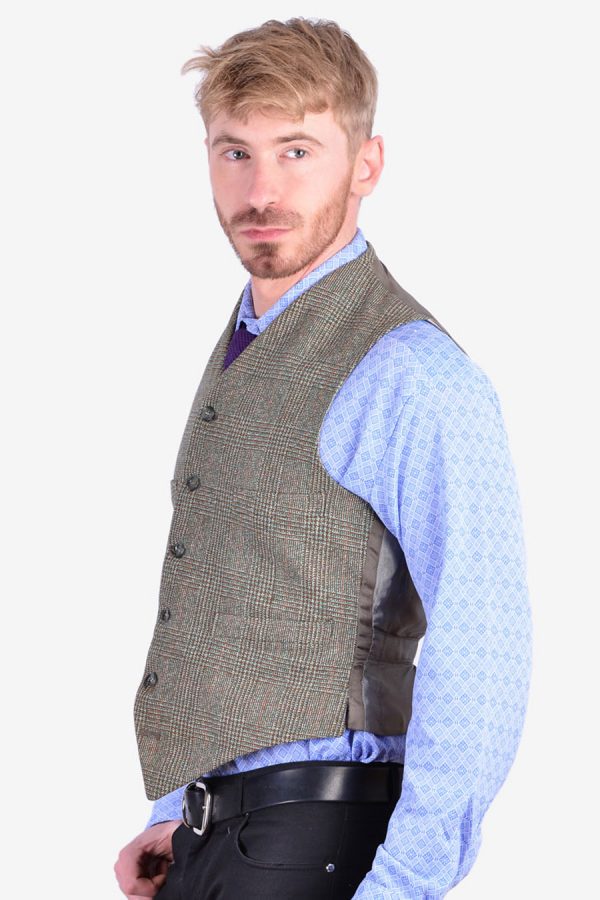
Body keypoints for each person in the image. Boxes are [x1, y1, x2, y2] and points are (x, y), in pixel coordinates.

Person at [114, 17, 531, 900]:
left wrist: (403, 883)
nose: (261, 189)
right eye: (236, 153)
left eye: (297, 152)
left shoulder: (410, 370)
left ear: (366, 165)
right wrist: (180, 813)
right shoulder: (247, 337)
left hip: (321, 844)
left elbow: (484, 640)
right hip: (219, 843)